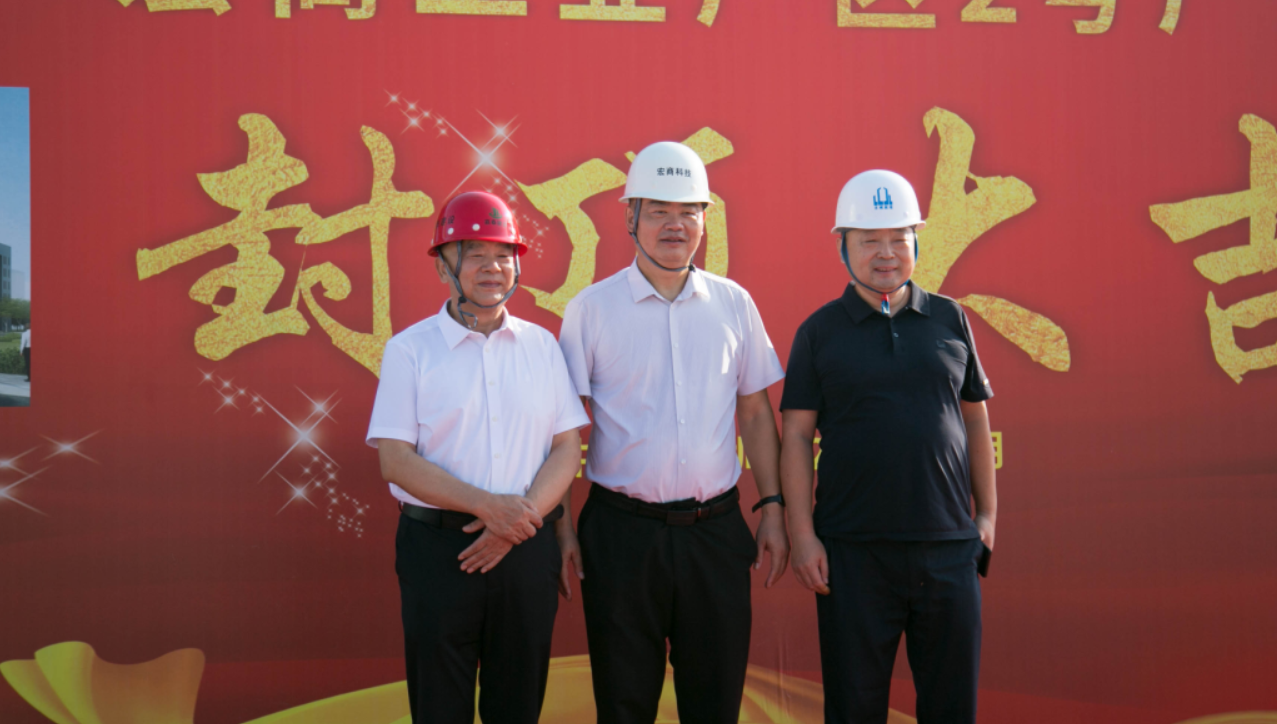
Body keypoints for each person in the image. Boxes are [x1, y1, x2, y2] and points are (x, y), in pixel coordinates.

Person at [556, 141, 789, 724]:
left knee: (715, 704)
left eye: (689, 211)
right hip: (620, 536)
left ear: (706, 220)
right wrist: (560, 526)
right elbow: (560, 430)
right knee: (624, 703)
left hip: (716, 534)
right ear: (630, 217)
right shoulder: (591, 310)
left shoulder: (733, 304)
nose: (675, 225)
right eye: (658, 211)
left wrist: (773, 509)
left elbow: (756, 414)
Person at [779, 170, 998, 724]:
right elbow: (797, 436)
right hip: (853, 553)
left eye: (898, 239)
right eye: (869, 241)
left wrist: (987, 517)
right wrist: (803, 535)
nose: (886, 254)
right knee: (854, 708)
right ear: (842, 245)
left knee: (951, 708)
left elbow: (975, 418)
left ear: (916, 241)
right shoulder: (819, 332)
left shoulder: (949, 317)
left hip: (948, 549)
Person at [366, 191, 589, 724]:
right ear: (443, 265)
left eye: (504, 255)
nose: (493, 267)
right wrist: (490, 509)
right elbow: (395, 460)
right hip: (439, 552)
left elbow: (566, 446)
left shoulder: (541, 346)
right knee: (440, 707)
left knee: (518, 705)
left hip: (526, 548)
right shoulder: (409, 351)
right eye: (475, 254)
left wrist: (516, 522)